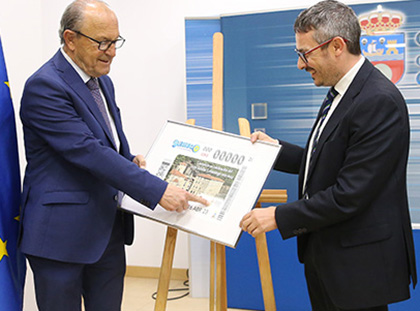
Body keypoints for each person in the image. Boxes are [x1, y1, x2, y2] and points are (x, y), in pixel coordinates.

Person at [19, 1, 207, 310]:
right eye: (102, 43)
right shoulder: (45, 86)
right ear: (70, 39)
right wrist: (158, 190)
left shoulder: (102, 81)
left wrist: (128, 157)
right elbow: (87, 151)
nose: (112, 51)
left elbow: (104, 143)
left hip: (106, 230)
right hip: (59, 237)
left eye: (115, 41)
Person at [240, 1, 417, 310]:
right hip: (328, 256)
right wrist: (273, 150)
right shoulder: (341, 91)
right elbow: (324, 160)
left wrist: (277, 216)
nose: (300, 65)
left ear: (337, 46)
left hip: (359, 267)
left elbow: (350, 194)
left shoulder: (378, 101)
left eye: (304, 54)